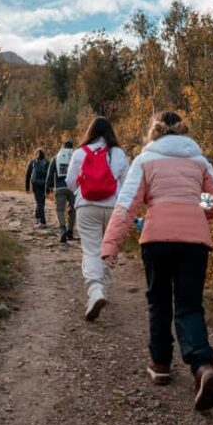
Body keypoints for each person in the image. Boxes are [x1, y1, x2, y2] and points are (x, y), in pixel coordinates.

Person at [100, 111, 213, 412]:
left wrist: (111, 244)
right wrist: (195, 208)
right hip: (194, 241)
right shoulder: (198, 160)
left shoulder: (145, 160)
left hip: (156, 238)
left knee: (159, 300)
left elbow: (127, 205)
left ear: (153, 131)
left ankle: (160, 365)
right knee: (189, 304)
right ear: (183, 131)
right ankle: (202, 367)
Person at [65, 117, 129, 321]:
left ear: (90, 132)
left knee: (91, 249)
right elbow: (127, 184)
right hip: (113, 208)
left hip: (87, 206)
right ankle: (104, 289)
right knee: (107, 249)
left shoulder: (79, 153)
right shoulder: (118, 153)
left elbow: (70, 182)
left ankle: (95, 290)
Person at [45, 140, 77, 243]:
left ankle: (63, 229)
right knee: (73, 210)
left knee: (60, 210)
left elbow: (50, 174)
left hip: (60, 188)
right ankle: (70, 231)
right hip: (73, 188)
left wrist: (48, 187)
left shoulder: (56, 158)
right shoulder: (76, 156)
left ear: (62, 147)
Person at [24, 148, 49, 226]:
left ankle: (42, 221)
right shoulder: (48, 162)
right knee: (41, 202)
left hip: (36, 184)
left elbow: (27, 175)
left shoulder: (32, 162)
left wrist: (27, 187)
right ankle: (38, 218)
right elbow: (50, 175)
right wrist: (50, 186)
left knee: (39, 202)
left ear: (36, 154)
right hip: (44, 184)